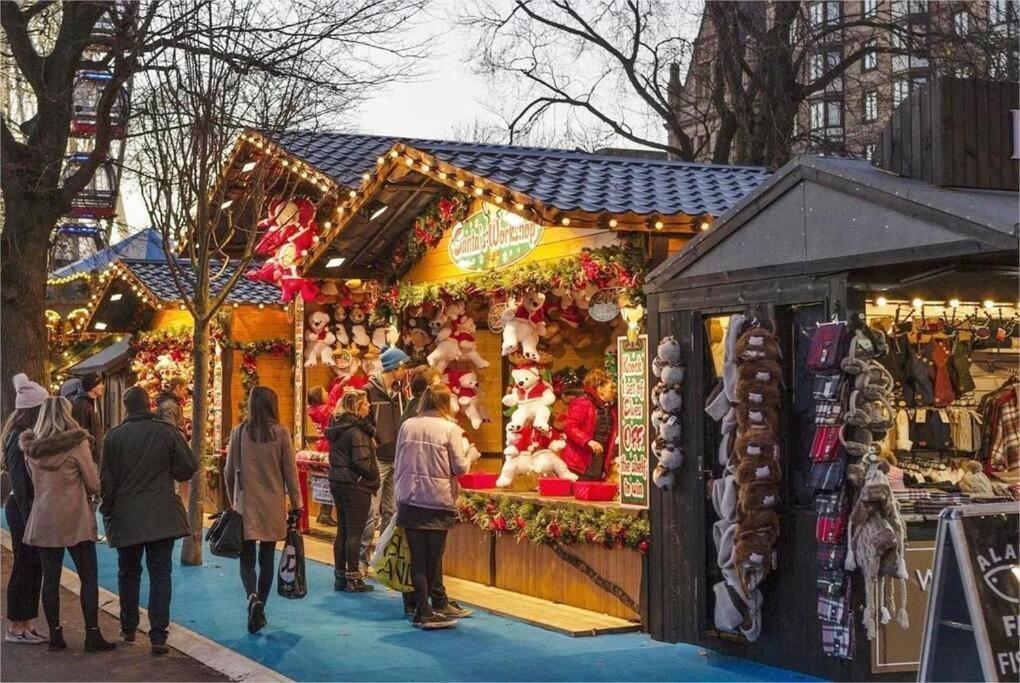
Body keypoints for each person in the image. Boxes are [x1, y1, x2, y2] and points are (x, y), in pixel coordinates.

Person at [100, 386, 197, 655]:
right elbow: (188, 466)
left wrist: (107, 510)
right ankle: (158, 635)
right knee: (160, 575)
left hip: (127, 516)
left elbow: (106, 480)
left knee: (128, 573)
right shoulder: (166, 432)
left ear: (126, 407)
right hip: (161, 515)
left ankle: (128, 627)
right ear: (149, 404)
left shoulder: (114, 437)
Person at [20, 397, 115, 651]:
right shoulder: (77, 444)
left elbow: (33, 482)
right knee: (88, 576)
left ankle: (56, 635)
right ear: (66, 415)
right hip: (75, 519)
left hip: (43, 519)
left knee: (50, 578)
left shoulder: (31, 449)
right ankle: (92, 634)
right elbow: (93, 483)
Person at [396, 367, 472, 620]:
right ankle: (428, 608)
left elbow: (399, 460)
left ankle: (422, 609)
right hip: (437, 499)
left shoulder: (408, 425)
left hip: (409, 498)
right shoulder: (449, 428)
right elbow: (459, 466)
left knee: (417, 559)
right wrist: (471, 455)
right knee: (433, 558)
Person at [224, 387, 301, 634]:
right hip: (272, 504)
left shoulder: (239, 432)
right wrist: (297, 505)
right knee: (266, 559)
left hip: (245, 504)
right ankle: (261, 607)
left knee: (246, 559)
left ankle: (252, 597)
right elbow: (290, 473)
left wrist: (232, 500)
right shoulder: (281, 433)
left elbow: (228, 470)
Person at [3, 374, 47, 644]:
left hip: (24, 508)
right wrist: (31, 513)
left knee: (31, 564)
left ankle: (24, 623)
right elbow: (20, 482)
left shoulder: (18, 434)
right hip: (24, 509)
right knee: (25, 564)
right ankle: (16, 625)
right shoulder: (19, 437)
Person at [325, 389, 379, 593]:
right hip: (355, 484)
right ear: (357, 407)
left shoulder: (337, 426)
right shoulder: (357, 431)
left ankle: (340, 575)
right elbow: (361, 461)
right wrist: (374, 476)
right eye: (365, 404)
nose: (369, 407)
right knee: (354, 532)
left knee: (343, 531)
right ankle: (353, 578)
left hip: (338, 481)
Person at [360, 346, 409, 570]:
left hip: (397, 456)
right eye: (403, 366)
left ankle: (384, 557)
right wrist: (375, 439)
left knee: (391, 510)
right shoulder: (369, 390)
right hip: (379, 457)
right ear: (393, 368)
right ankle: (362, 556)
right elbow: (364, 420)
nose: (405, 370)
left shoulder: (401, 392)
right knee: (372, 510)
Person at [561, 368, 618, 481]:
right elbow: (570, 427)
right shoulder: (582, 403)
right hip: (580, 463)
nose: (614, 391)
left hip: (598, 462)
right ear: (600, 389)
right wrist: (588, 441)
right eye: (611, 388)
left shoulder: (610, 408)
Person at [155, 376, 191, 505]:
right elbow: (169, 430)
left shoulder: (171, 404)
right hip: (171, 453)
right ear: (177, 387)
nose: (186, 391)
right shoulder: (170, 406)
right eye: (185, 388)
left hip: (171, 451)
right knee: (172, 488)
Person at [70, 373, 105, 465]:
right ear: (92, 387)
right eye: (99, 384)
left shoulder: (93, 401)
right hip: (88, 457)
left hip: (95, 455)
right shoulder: (82, 404)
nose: (102, 386)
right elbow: (80, 431)